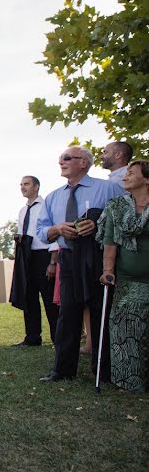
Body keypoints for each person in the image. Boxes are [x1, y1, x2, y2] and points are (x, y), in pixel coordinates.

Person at [37, 146, 124, 382]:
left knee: (100, 312)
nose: (61, 162)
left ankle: (103, 371)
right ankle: (63, 370)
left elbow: (124, 217)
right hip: (68, 257)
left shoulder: (108, 188)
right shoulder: (53, 196)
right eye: (59, 159)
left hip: (98, 257)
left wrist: (99, 225)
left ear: (83, 162)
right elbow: (41, 232)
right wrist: (57, 229)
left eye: (66, 158)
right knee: (68, 312)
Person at [97, 160, 149, 391]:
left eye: (131, 172)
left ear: (146, 179)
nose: (125, 176)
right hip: (128, 280)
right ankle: (129, 380)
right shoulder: (116, 206)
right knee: (125, 330)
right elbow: (110, 242)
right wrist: (108, 271)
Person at [9, 176, 59, 346]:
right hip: (26, 255)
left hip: (43, 255)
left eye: (26, 184)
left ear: (36, 187)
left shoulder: (47, 206)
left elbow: (53, 234)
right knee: (28, 296)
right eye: (21, 184)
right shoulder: (22, 211)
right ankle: (32, 337)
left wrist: (53, 261)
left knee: (49, 298)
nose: (22, 187)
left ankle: (57, 338)